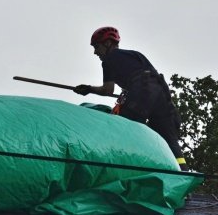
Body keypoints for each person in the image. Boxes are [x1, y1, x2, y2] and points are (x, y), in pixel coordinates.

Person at [73, 26, 188, 171]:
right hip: (161, 92)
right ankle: (183, 173)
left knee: (125, 130)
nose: (95, 52)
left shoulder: (108, 60)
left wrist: (88, 89)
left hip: (142, 90)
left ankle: (125, 169)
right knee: (168, 138)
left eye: (96, 47)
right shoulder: (135, 54)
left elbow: (108, 90)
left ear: (108, 43)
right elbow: (147, 77)